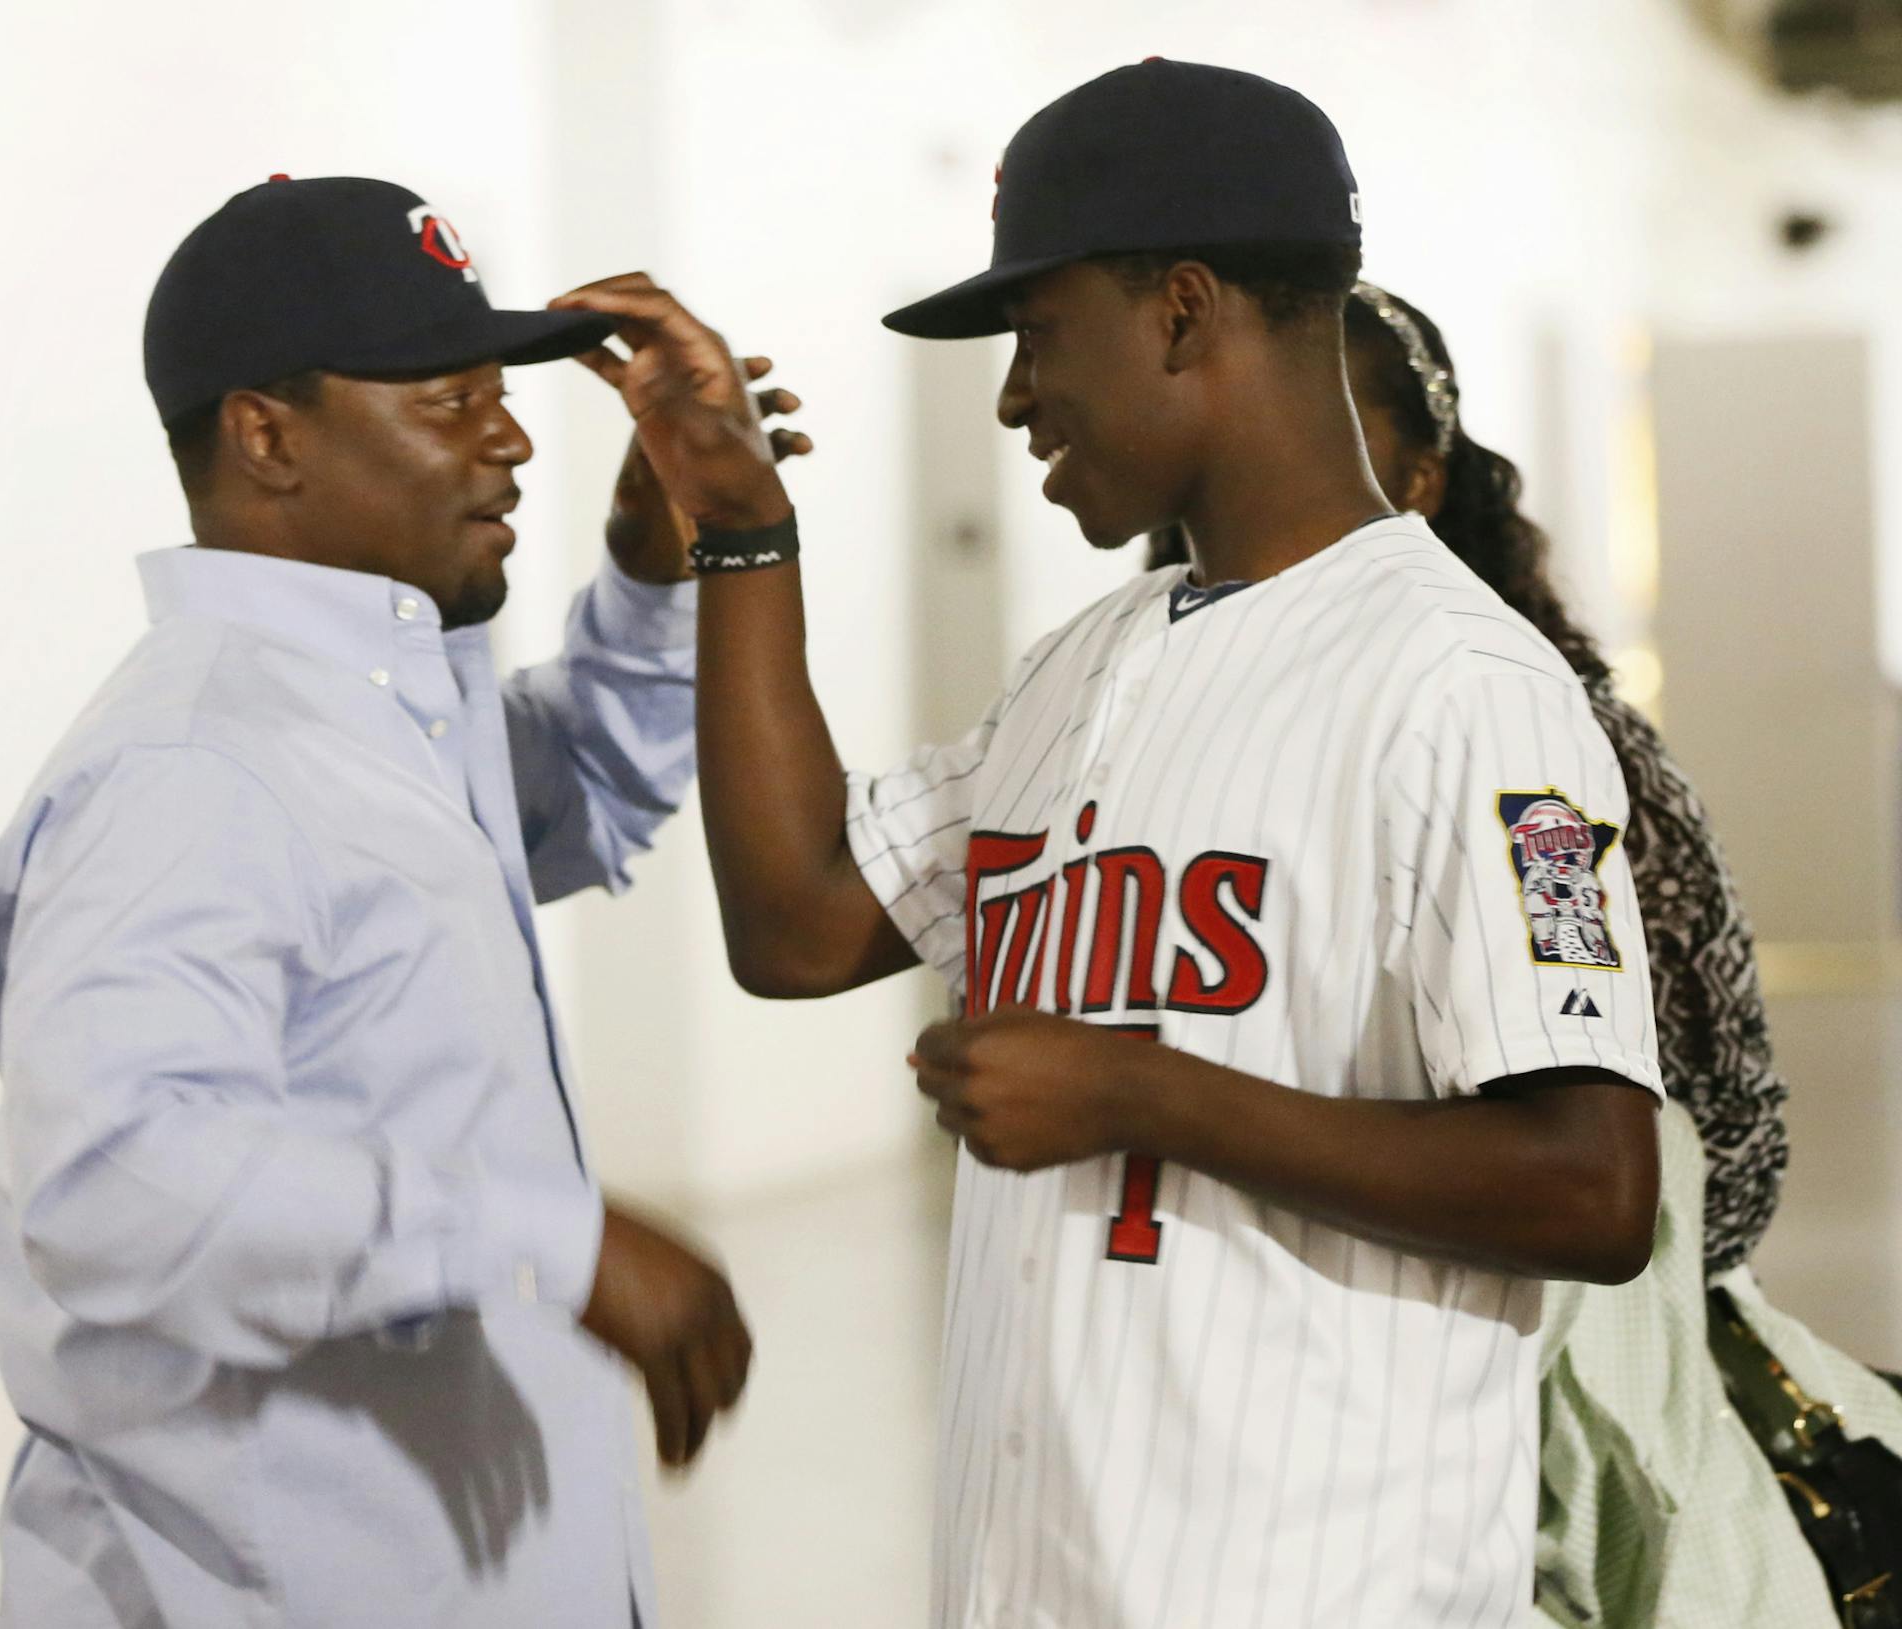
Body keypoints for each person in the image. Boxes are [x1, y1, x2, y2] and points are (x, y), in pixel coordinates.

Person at [555, 61, 1664, 1629]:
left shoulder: (1464, 685)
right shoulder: (1083, 666)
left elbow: (1595, 1184)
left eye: (1037, 331)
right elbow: (798, 921)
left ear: (1182, 312)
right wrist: (742, 528)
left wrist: (1143, 1090)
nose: (1015, 396)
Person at [0, 175, 766, 1629]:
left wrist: (652, 560)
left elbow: (587, 782)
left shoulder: (370, 712)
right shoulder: (194, 765)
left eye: (500, 393)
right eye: (449, 399)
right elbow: (113, 1178)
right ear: (267, 436)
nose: (510, 438)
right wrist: (550, 1236)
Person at [1297, 282, 1902, 1627]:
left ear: (1423, 478)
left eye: (1329, 430)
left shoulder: (1544, 739)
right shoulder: (1170, 735)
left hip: (1527, 1394)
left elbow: (1720, 1132)